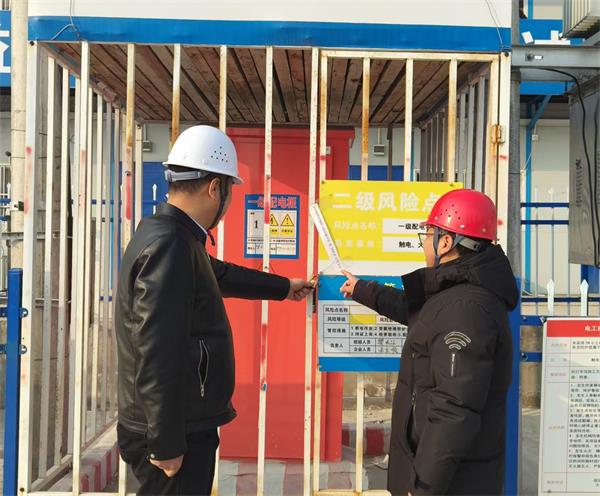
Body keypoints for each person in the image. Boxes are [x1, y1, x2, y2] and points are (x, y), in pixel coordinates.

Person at [115, 125, 314, 496]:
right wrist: (166, 441)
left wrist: (283, 287)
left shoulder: (170, 234)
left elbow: (217, 274)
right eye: (229, 190)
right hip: (173, 431)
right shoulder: (170, 245)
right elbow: (156, 349)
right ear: (214, 188)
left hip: (174, 422)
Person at [340, 189, 518, 495]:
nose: (424, 242)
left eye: (428, 234)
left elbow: (453, 409)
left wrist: (422, 486)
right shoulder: (456, 292)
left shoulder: (465, 309)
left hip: (451, 484)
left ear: (446, 242)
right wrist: (362, 289)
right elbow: (420, 313)